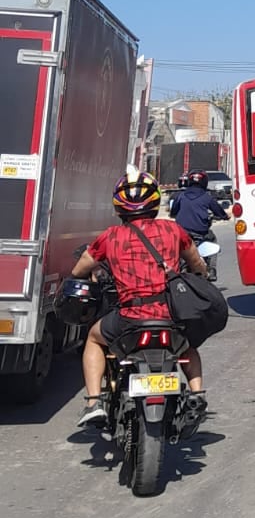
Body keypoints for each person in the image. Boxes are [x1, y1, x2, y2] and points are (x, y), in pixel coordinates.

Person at [70, 173, 210, 428]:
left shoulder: (110, 237)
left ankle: (93, 402)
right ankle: (197, 395)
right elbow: (196, 264)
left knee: (92, 337)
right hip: (170, 315)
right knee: (188, 342)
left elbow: (80, 269)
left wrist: (90, 274)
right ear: (155, 203)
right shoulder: (173, 230)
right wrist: (200, 275)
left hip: (129, 319)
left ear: (118, 206)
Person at [168, 170, 228, 249]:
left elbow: (173, 212)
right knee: (211, 237)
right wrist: (225, 216)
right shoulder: (207, 197)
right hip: (199, 233)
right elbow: (219, 212)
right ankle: (206, 261)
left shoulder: (180, 196)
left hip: (180, 232)